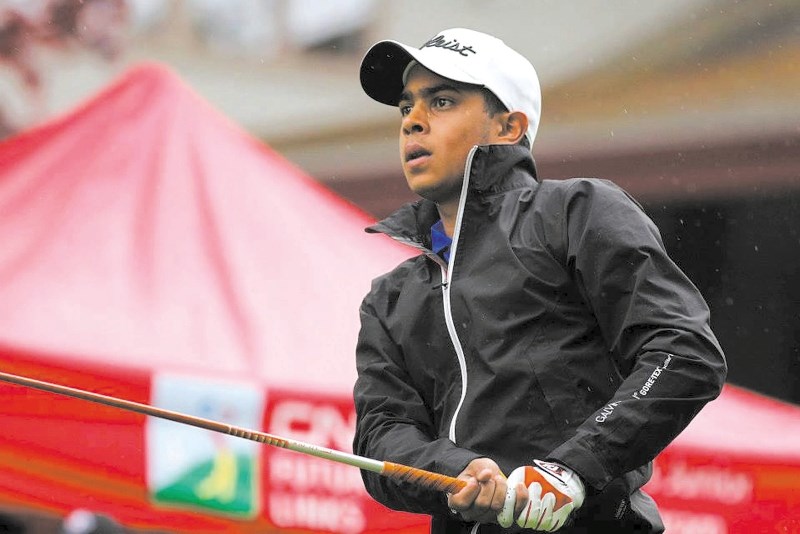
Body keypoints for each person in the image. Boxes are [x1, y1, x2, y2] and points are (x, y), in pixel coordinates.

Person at [352, 27, 727, 533]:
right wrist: (455, 471)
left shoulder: (577, 211)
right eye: (405, 108)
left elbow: (684, 353)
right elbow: (382, 434)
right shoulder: (389, 296)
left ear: (509, 127)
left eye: (441, 101)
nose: (412, 122)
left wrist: (572, 470)